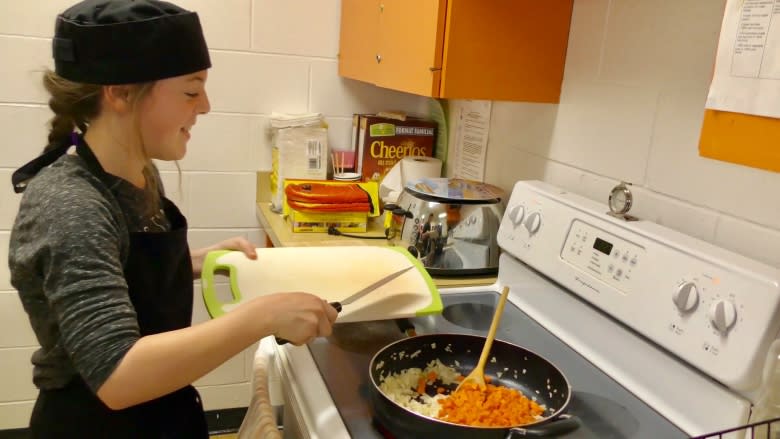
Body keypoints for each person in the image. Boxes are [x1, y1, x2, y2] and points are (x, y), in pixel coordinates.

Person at [7, 1, 338, 437]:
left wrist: (196, 260)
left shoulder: (138, 171)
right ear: (121, 93)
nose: (205, 105)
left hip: (161, 414)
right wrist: (263, 316)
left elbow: (119, 268)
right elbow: (117, 375)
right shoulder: (69, 205)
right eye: (190, 90)